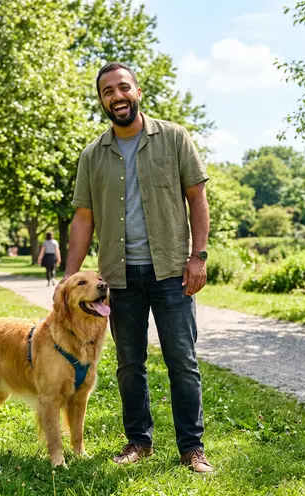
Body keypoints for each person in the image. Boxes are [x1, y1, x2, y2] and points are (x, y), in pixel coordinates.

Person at [57, 62, 212, 473]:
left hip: (171, 273)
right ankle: (138, 441)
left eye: (122, 87)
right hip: (117, 280)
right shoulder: (93, 155)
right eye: (107, 92)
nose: (117, 96)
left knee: (182, 359)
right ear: (102, 101)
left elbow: (197, 198)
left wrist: (199, 257)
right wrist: (71, 279)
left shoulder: (175, 138)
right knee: (129, 363)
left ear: (137, 91)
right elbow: (84, 219)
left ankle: (191, 448)